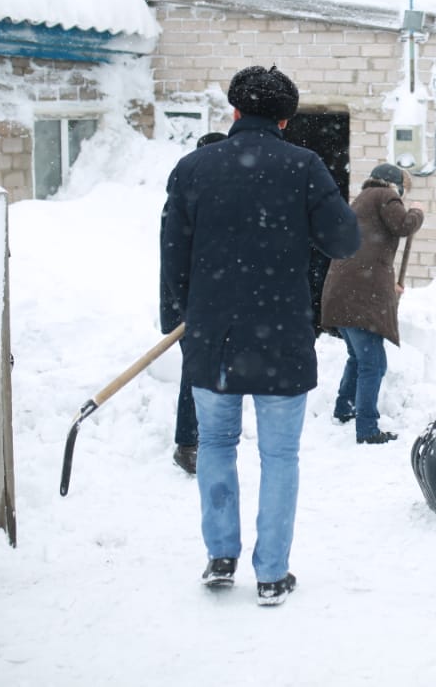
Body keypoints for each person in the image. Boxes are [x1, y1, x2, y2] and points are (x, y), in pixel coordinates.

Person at [160, 65, 360, 605]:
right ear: (286, 117)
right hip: (281, 337)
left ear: (234, 111)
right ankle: (271, 572)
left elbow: (172, 255)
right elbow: (344, 240)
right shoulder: (304, 166)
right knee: (279, 457)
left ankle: (221, 556)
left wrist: (181, 319)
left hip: (213, 337)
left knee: (217, 447)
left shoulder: (193, 168)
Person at [320, 163, 424, 444]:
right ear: (393, 184)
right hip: (360, 297)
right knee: (374, 363)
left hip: (343, 293)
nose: (401, 195)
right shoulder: (385, 195)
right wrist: (416, 211)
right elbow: (403, 225)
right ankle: (367, 428)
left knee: (359, 358)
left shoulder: (360, 201)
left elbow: (365, 252)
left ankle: (345, 409)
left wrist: (385, 283)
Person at [163, 130, 227, 475]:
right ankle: (187, 444)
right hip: (191, 306)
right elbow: (181, 260)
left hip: (192, 304)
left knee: (204, 373)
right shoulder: (188, 199)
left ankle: (198, 438)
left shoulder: (187, 193)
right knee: (198, 374)